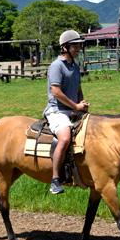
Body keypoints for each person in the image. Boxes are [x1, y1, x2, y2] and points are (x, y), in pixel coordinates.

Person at [44, 30, 89, 194]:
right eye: (75, 46)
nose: (78, 49)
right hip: (57, 111)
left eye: (79, 46)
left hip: (73, 110)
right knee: (64, 139)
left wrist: (81, 104)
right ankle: (55, 180)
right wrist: (75, 107)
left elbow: (78, 89)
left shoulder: (75, 66)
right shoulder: (56, 66)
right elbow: (56, 92)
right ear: (65, 47)